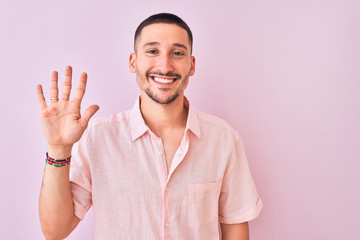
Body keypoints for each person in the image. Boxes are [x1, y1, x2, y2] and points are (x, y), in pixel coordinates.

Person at [37, 13, 262, 240]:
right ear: (133, 62)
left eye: (177, 53)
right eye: (152, 51)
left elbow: (235, 227)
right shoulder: (99, 137)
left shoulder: (222, 139)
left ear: (191, 65)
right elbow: (55, 230)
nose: (165, 66)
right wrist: (58, 149)